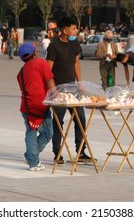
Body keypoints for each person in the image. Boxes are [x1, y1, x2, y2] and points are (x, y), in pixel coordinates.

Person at [46, 16, 91, 164]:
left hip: (73, 89)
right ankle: (57, 153)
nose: (76, 31)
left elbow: (76, 63)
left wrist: (80, 83)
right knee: (58, 122)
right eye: (73, 29)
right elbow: (47, 70)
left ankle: (81, 151)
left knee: (80, 119)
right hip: (59, 89)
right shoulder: (54, 46)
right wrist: (53, 90)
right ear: (65, 30)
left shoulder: (75, 44)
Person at [17, 43, 56, 171]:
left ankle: (31, 156)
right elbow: (49, 79)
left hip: (27, 107)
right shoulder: (41, 63)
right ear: (34, 53)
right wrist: (55, 93)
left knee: (31, 132)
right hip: (41, 106)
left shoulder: (21, 72)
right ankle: (32, 158)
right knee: (48, 133)